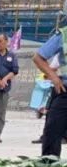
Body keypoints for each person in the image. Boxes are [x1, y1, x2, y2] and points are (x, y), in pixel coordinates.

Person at [33, 25, 67, 158]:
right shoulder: (63, 35)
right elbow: (38, 57)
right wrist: (53, 77)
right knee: (52, 131)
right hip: (64, 92)